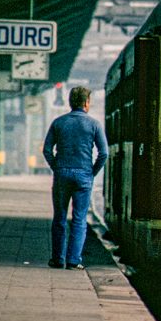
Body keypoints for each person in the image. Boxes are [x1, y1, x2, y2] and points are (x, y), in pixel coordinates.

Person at [42, 86, 108, 270]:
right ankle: (73, 260)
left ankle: (57, 259)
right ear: (86, 103)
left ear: (71, 102)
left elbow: (47, 150)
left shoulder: (59, 122)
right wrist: (92, 171)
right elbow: (104, 153)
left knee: (60, 218)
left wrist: (57, 167)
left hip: (62, 173)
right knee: (79, 219)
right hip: (83, 175)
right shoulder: (94, 124)